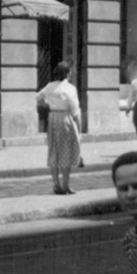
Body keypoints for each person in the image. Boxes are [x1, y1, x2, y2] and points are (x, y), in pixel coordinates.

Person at [36, 60, 82, 195]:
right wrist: (79, 129)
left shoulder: (50, 86)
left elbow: (38, 97)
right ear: (68, 73)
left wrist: (48, 104)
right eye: (70, 71)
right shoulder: (70, 88)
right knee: (65, 152)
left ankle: (56, 185)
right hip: (65, 119)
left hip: (52, 119)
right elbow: (76, 111)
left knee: (54, 151)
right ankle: (66, 185)